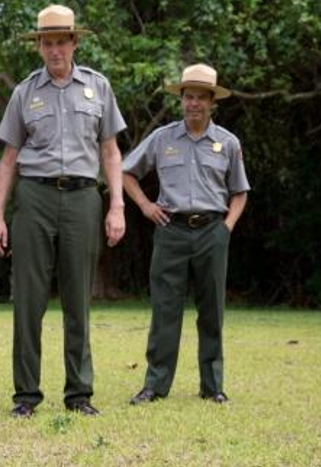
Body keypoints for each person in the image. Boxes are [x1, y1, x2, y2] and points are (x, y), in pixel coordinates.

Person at [0, 5, 126, 418]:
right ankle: (26, 396)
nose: (54, 50)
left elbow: (110, 151)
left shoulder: (98, 88)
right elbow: (8, 159)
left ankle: (79, 393)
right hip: (35, 197)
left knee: (78, 298)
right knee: (28, 298)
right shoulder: (25, 92)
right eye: (46, 43)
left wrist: (117, 205)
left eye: (60, 41)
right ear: (39, 47)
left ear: (74, 42)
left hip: (84, 198)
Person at [122, 64, 249, 406]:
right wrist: (146, 206)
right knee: (165, 309)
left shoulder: (228, 143)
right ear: (181, 100)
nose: (193, 104)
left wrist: (227, 228)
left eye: (200, 98)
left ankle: (213, 385)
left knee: (212, 311)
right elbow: (126, 173)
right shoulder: (162, 138)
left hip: (212, 231)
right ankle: (155, 385)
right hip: (171, 230)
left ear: (212, 102)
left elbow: (240, 192)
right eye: (188, 97)